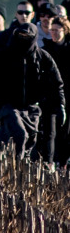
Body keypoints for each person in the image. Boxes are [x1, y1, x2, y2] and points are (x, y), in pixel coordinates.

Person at [0, 22, 65, 163]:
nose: (23, 39)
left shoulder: (43, 57)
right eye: (21, 35)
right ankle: (16, 165)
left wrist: (60, 104)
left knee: (30, 138)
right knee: (20, 134)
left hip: (32, 107)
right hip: (8, 106)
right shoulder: (2, 56)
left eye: (27, 36)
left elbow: (57, 83)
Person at [42, 16, 70, 164]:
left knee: (66, 132)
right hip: (50, 96)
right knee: (50, 132)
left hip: (67, 95)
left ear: (64, 31)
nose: (53, 33)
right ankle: (49, 162)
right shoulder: (46, 50)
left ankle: (63, 163)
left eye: (56, 30)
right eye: (51, 30)